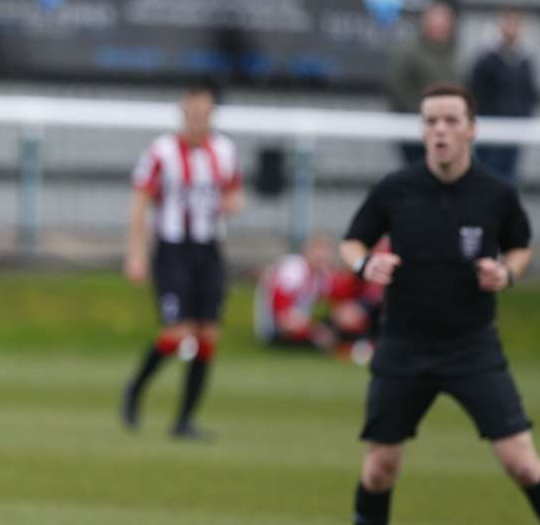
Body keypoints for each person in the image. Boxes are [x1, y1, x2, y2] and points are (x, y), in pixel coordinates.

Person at [323, 82, 540, 525]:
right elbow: (351, 240)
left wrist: (506, 273)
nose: (439, 131)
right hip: (402, 346)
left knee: (521, 462)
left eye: (450, 121)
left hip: (471, 347)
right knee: (380, 469)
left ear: (472, 128)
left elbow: (520, 246)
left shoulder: (496, 193)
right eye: (430, 121)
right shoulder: (395, 188)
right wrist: (365, 263)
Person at [120, 79, 244, 440]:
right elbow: (140, 202)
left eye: (203, 111)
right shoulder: (161, 152)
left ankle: (184, 420)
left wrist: (231, 204)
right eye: (190, 111)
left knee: (207, 335)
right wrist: (136, 253)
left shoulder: (224, 150)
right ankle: (136, 388)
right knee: (178, 332)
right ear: (182, 111)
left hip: (209, 249)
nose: (196, 118)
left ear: (212, 112)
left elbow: (236, 194)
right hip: (173, 249)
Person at [254, 234, 380, 363]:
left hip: (301, 324)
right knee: (327, 333)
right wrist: (315, 331)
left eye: (326, 253)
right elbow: (284, 318)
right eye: (318, 252)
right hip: (277, 331)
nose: (322, 257)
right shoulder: (293, 270)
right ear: (307, 252)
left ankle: (362, 347)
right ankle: (354, 349)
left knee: (350, 314)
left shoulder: (319, 274)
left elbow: (344, 294)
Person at [469, 11, 538, 183]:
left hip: (516, 127)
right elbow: (476, 91)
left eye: (516, 25)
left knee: (509, 176)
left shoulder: (525, 59)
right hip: (490, 127)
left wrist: (525, 117)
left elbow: (529, 92)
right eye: (508, 24)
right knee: (489, 175)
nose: (511, 30)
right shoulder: (486, 59)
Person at [385, 1, 456, 165]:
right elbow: (397, 86)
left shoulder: (452, 52)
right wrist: (423, 112)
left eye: (444, 24)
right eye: (436, 24)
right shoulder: (408, 52)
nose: (441, 29)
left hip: (446, 129)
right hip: (414, 126)